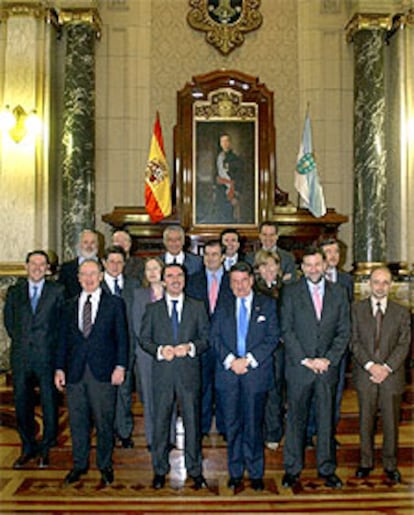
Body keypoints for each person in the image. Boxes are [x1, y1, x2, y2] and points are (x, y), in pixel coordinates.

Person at [281, 246, 350, 489]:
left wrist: (327, 359)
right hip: (300, 368)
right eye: (308, 265)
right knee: (296, 420)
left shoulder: (339, 292)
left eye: (317, 264)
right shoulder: (290, 293)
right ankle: (292, 469)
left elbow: (344, 332)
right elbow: (286, 331)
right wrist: (306, 360)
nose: (313, 269)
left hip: (327, 368)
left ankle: (327, 468)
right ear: (302, 268)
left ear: (325, 265)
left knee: (326, 419)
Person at [55, 259, 128, 486]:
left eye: (93, 274)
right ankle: (79, 464)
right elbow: (62, 342)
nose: (88, 279)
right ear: (78, 278)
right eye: (84, 274)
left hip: (104, 373)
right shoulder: (68, 305)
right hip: (75, 373)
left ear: (100, 276)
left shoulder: (115, 303)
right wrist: (59, 368)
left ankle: (105, 465)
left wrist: (121, 366)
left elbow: (122, 339)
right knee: (77, 422)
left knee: (104, 422)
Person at [211, 261, 279, 491]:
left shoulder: (267, 305)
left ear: (251, 280)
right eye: (235, 282)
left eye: (243, 280)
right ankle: (236, 472)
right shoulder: (222, 305)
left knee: (253, 424)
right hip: (228, 375)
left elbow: (272, 338)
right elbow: (215, 338)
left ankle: (256, 473)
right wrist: (231, 361)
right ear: (229, 284)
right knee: (232, 425)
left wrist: (248, 360)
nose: (239, 286)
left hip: (255, 374)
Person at [140, 264, 209, 490]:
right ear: (163, 280)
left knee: (192, 423)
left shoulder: (198, 307)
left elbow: (206, 339)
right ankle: (160, 470)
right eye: (170, 276)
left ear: (185, 279)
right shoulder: (153, 309)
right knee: (160, 424)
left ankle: (195, 470)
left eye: (179, 275)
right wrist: (160, 351)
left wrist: (189, 347)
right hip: (163, 374)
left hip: (189, 374)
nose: (175, 279)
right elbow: (144, 339)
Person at [4, 250, 65, 469]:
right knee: (22, 404)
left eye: (42, 264)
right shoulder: (14, 291)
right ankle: (27, 446)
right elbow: (10, 323)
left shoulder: (57, 291)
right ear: (26, 266)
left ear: (48, 268)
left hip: (47, 357)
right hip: (21, 357)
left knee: (49, 404)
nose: (37, 267)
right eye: (33, 263)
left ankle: (47, 449)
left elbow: (61, 326)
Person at [351, 266, 410, 483]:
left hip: (391, 376)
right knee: (365, 421)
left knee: (390, 422)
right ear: (369, 283)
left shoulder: (401, 312)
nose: (380, 286)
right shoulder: (356, 310)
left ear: (391, 285)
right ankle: (365, 462)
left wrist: (386, 367)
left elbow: (404, 344)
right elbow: (354, 341)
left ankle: (390, 464)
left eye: (385, 282)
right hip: (365, 374)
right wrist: (370, 365)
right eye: (377, 281)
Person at [306, 238, 354, 448]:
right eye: (328, 252)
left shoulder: (346, 281)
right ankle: (309, 432)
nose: (333, 256)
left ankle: (328, 434)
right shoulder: (306, 279)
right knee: (310, 395)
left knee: (333, 394)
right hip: (310, 352)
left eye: (336, 252)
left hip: (335, 350)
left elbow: (347, 318)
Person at [186, 240, 233, 437]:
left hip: (226, 343)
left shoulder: (234, 279)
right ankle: (202, 427)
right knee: (202, 387)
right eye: (207, 254)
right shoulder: (192, 280)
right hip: (201, 343)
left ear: (223, 257)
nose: (210, 258)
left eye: (215, 254)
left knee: (225, 388)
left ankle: (224, 427)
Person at [132, 257, 176, 450]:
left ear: (163, 271)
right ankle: (153, 439)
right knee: (150, 397)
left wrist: (170, 348)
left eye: (155, 268)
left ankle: (171, 437)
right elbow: (137, 326)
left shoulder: (173, 293)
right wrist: (154, 348)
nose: (151, 272)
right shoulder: (139, 294)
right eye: (148, 269)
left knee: (171, 396)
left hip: (171, 353)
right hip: (147, 353)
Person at [101, 245, 140, 449]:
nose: (115, 266)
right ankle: (106, 433)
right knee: (104, 394)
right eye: (111, 262)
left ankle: (124, 432)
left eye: (119, 262)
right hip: (103, 348)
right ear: (104, 263)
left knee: (124, 392)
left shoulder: (134, 285)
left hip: (128, 346)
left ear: (125, 264)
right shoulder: (96, 286)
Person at [253, 250, 285, 451]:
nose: (269, 270)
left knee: (276, 391)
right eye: (264, 266)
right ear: (258, 270)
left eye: (272, 265)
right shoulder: (253, 290)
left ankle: (274, 432)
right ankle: (257, 431)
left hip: (281, 349)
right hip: (258, 349)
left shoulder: (288, 290)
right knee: (257, 392)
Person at [58, 229, 99, 298]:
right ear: (80, 244)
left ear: (98, 245)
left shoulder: (105, 267)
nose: (89, 246)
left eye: (93, 242)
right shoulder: (66, 268)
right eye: (85, 242)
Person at [215, 133, 243, 222]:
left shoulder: (234, 158)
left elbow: (239, 176)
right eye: (222, 141)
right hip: (221, 191)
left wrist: (236, 194)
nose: (225, 143)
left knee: (230, 215)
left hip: (231, 191)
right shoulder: (219, 157)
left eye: (226, 141)